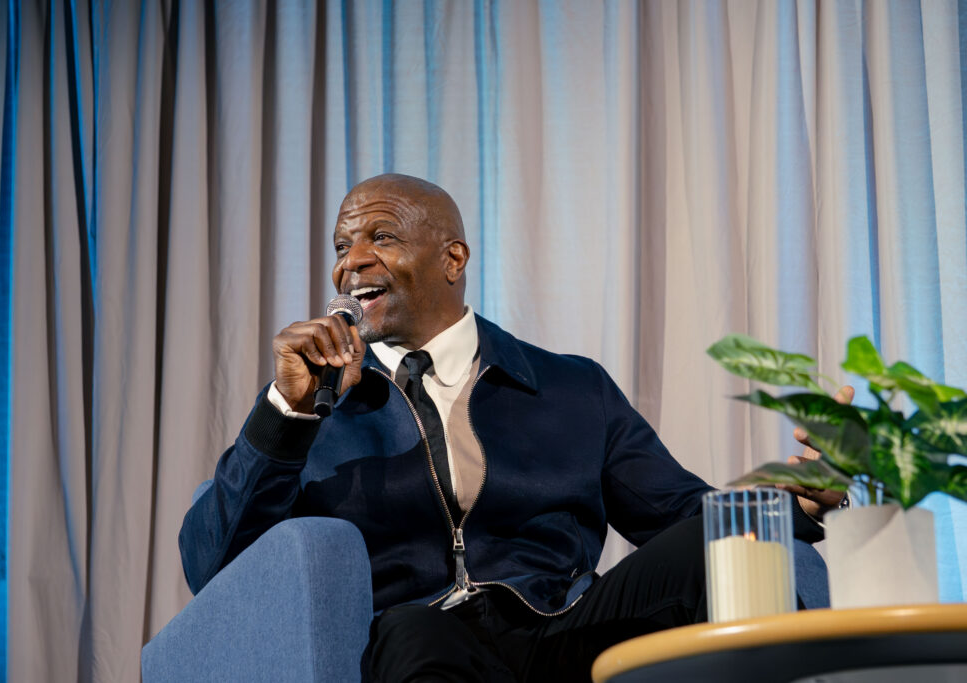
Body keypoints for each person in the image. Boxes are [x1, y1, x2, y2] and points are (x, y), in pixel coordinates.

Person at [178, 173, 844, 682]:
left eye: (381, 237)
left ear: (452, 259)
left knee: (720, 544)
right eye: (341, 246)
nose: (351, 261)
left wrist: (793, 498)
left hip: (568, 628)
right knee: (412, 632)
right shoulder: (312, 410)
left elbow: (682, 512)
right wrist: (285, 412)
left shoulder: (571, 388)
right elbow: (214, 564)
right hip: (424, 638)